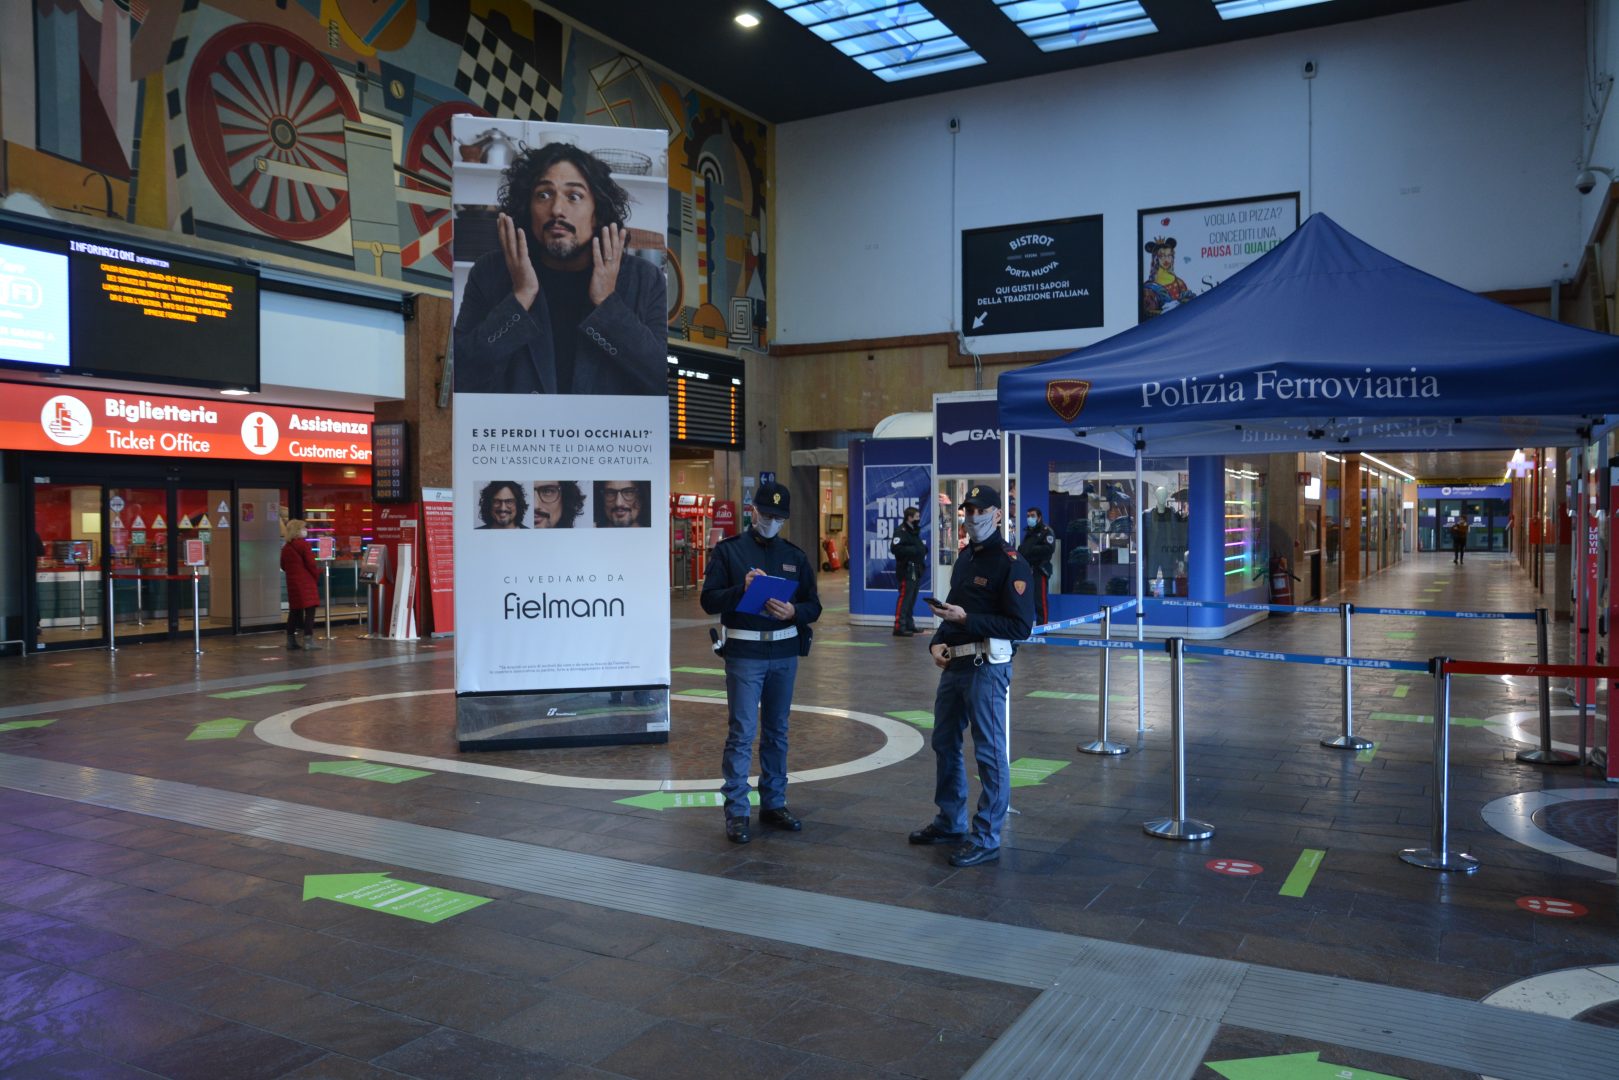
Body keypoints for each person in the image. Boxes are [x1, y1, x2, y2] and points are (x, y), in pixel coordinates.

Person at [453, 142, 666, 396]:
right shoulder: (489, 273)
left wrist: (607, 302)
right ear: (527, 208)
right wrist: (520, 297)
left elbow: (660, 381)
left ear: (596, 213)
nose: (556, 209)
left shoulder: (644, 279)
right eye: (543, 194)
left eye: (574, 196)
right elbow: (461, 377)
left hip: (604, 435)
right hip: (517, 434)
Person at [910, 485, 1034, 868]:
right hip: (955, 663)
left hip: (988, 668)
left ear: (997, 514)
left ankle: (986, 836)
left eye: (980, 510)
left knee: (989, 752)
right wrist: (937, 640)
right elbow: (953, 607)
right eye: (968, 510)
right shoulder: (966, 557)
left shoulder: (1011, 562)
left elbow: (1020, 625)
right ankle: (950, 821)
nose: (972, 516)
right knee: (944, 742)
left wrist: (969, 620)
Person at [701, 481, 822, 844]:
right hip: (745, 653)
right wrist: (743, 588)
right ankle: (737, 810)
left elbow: (813, 605)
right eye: (766, 514)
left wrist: (793, 611)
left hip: (784, 652)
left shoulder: (795, 556)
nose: (771, 521)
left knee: (778, 730)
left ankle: (774, 801)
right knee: (742, 731)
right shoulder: (729, 552)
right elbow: (709, 601)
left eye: (778, 517)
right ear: (753, 510)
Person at [280, 519, 321, 651]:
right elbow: (311, 564)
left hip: (293, 582)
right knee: (310, 610)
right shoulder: (303, 545)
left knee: (295, 611)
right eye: (304, 528)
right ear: (297, 531)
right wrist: (316, 574)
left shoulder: (286, 547)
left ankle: (290, 640)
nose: (306, 531)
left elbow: (283, 565)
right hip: (306, 582)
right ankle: (308, 640)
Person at [890, 504, 926, 636]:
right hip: (906, 570)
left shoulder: (914, 530)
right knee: (905, 598)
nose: (918, 519)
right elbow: (895, 549)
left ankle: (909, 624)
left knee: (912, 598)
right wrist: (915, 550)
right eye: (916, 517)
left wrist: (922, 550)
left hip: (916, 569)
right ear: (909, 518)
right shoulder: (901, 531)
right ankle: (899, 626)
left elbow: (918, 546)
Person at [1018, 507, 1056, 626]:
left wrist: (1030, 550)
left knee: (1041, 601)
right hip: (1028, 570)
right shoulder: (1029, 532)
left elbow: (1049, 549)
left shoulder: (1046, 531)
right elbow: (1022, 550)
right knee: (1027, 600)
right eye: (1028, 516)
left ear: (1039, 517)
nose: (1030, 518)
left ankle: (1043, 628)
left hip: (1040, 569)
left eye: (1032, 516)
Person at [1141, 236, 1196, 318]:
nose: (1166, 259)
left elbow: (1190, 305)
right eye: (1162, 256)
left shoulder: (1179, 283)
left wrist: (1179, 303)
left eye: (1169, 255)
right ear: (1156, 258)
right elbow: (1146, 312)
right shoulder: (1148, 286)